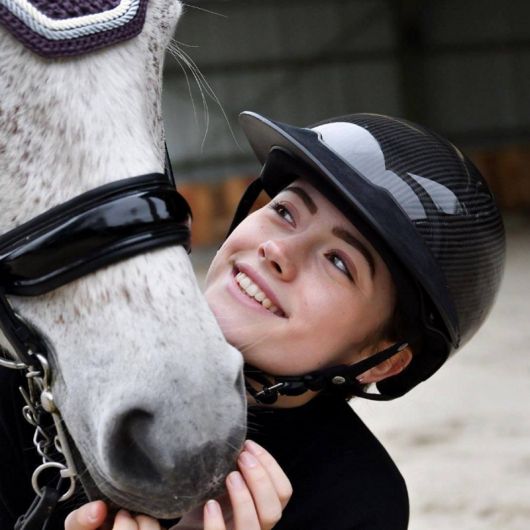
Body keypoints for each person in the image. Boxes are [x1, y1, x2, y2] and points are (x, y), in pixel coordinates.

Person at [2, 111, 505, 530]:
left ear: (383, 362)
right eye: (286, 213)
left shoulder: (357, 502)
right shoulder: (25, 375)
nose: (278, 250)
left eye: (338, 262)